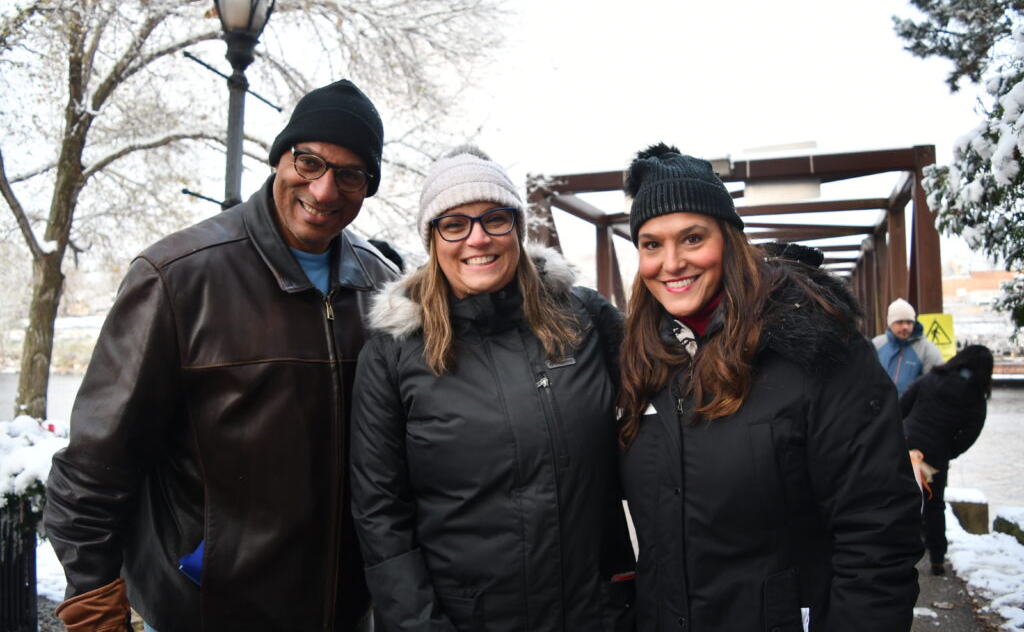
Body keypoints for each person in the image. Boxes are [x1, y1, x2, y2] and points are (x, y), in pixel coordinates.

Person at [44, 79, 398, 632]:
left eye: (351, 175)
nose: (325, 190)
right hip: (205, 610)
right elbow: (94, 467)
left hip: (344, 613)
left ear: (367, 187)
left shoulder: (384, 288)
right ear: (280, 158)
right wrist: (93, 609)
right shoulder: (177, 276)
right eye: (309, 162)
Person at [617, 143, 923, 631]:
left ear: (729, 239)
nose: (671, 263)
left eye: (692, 238)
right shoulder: (641, 362)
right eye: (651, 244)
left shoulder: (820, 349)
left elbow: (878, 530)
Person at [350, 146, 636, 632]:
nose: (477, 238)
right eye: (454, 224)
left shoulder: (584, 319)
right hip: (470, 619)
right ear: (432, 239)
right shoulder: (393, 356)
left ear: (517, 228)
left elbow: (673, 408)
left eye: (494, 219)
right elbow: (380, 514)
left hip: (599, 613)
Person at [900, 345, 993, 576]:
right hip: (934, 457)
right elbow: (969, 436)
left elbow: (903, 405)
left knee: (898, 498)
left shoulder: (932, 377)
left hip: (905, 446)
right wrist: (945, 452)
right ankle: (937, 559)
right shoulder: (976, 399)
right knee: (934, 505)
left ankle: (895, 552)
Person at [873, 297, 944, 396]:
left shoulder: (928, 350)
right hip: (882, 405)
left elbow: (936, 386)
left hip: (913, 405)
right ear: (890, 323)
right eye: (900, 322)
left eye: (909, 322)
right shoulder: (877, 345)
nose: (905, 327)